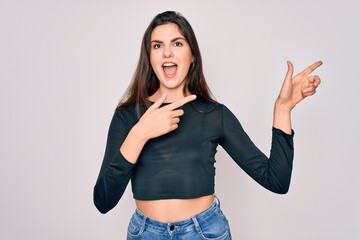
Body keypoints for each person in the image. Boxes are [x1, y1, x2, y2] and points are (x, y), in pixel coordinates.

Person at [93, 11, 322, 240]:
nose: (167, 52)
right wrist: (140, 133)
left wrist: (282, 109)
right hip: (145, 234)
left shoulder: (214, 115)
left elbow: (276, 181)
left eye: (177, 43)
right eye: (157, 46)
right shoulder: (127, 116)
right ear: (149, 58)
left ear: (192, 56)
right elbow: (103, 201)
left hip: (204, 233)